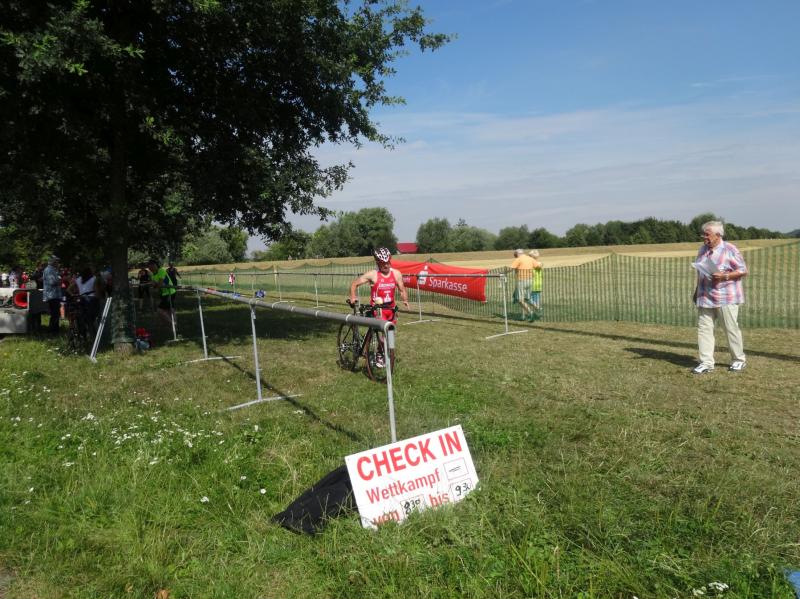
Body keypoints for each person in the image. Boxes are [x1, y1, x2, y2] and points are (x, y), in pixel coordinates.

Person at [691, 221, 748, 374]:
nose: (704, 237)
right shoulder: (702, 249)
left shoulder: (730, 249)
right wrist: (696, 292)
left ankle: (738, 360)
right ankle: (706, 362)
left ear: (718, 235)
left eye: (707, 234)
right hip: (705, 296)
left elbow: (743, 270)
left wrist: (724, 276)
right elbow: (700, 271)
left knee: (730, 329)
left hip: (726, 297)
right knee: (704, 329)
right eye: (703, 234)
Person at [348, 247, 410, 367]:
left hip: (391, 309)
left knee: (390, 335)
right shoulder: (373, 274)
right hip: (378, 310)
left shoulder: (396, 273)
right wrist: (353, 297)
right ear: (377, 262)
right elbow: (354, 284)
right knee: (383, 334)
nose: (386, 265)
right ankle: (380, 354)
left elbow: (402, 289)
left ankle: (382, 352)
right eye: (383, 263)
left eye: (388, 262)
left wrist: (405, 299)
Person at [148, 259, 178, 329]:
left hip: (170, 292)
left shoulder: (161, 270)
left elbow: (160, 284)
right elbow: (155, 285)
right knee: (170, 309)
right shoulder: (153, 275)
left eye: (151, 266)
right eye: (149, 267)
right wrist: (155, 285)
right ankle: (175, 325)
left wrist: (155, 285)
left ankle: (172, 324)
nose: (150, 269)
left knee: (160, 310)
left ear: (155, 265)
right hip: (164, 293)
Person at [510, 249, 537, 320]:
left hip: (521, 281)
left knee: (520, 300)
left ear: (517, 254)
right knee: (527, 299)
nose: (515, 257)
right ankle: (538, 308)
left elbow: (512, 268)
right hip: (530, 280)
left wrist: (503, 272)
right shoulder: (530, 258)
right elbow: (538, 266)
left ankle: (530, 313)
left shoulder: (518, 259)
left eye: (515, 255)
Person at [43, 255, 62, 334]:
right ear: (53, 262)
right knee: (55, 314)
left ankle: (54, 330)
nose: (58, 263)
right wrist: (60, 280)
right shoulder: (49, 270)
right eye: (57, 261)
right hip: (52, 295)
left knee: (55, 313)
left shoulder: (52, 270)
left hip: (53, 295)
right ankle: (53, 331)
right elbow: (52, 282)